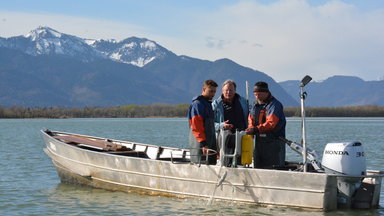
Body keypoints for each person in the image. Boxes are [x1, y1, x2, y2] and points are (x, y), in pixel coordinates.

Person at [246, 81, 286, 169]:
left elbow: (271, 123)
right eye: (255, 94)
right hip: (259, 143)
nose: (257, 96)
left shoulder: (275, 105)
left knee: (274, 167)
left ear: (266, 92)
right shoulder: (255, 105)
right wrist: (251, 128)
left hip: (274, 142)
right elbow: (250, 118)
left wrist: (256, 129)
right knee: (258, 166)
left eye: (259, 94)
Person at [212, 79, 249, 166]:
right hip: (224, 138)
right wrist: (222, 125)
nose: (228, 92)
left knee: (241, 162)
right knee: (226, 162)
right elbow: (210, 124)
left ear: (235, 90)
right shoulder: (215, 104)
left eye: (231, 90)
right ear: (222, 91)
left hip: (241, 136)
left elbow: (249, 117)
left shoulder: (243, 102)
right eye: (226, 90)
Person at [188, 79, 218, 165]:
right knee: (199, 165)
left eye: (214, 92)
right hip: (200, 145)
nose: (213, 94)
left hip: (209, 145)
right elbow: (196, 127)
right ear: (204, 90)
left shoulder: (208, 104)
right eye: (210, 91)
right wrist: (204, 144)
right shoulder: (197, 105)